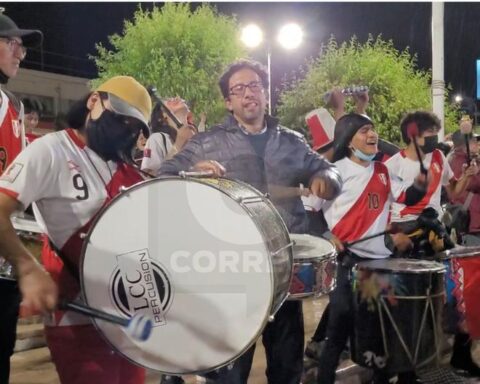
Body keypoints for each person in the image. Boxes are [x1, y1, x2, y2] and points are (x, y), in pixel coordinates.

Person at [159, 59, 342, 384]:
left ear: (265, 93)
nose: (248, 94)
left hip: (282, 266)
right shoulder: (207, 141)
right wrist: (195, 168)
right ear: (229, 102)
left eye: (254, 86)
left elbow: (328, 169)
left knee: (287, 369)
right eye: (238, 89)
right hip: (232, 270)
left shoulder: (290, 140)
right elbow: (166, 174)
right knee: (230, 373)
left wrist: (325, 178)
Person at [0, 75, 152, 384]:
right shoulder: (50, 151)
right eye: (119, 117)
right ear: (94, 101)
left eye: (133, 125)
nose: (124, 128)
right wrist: (27, 267)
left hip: (126, 318)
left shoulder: (127, 169)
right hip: (77, 321)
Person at [314, 113, 427, 384]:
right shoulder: (333, 171)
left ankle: (386, 378)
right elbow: (310, 212)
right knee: (339, 327)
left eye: (373, 129)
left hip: (379, 262)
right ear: (349, 138)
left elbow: (406, 196)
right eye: (364, 130)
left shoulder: (382, 170)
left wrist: (421, 185)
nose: (372, 135)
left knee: (384, 328)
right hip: (347, 261)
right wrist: (329, 236)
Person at [385, 111, 479, 380]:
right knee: (410, 306)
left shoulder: (438, 158)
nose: (435, 139)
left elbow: (454, 192)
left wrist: (466, 176)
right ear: (413, 135)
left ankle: (461, 357)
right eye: (430, 134)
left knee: (459, 292)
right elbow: (385, 210)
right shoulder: (393, 166)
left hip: (436, 232)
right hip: (407, 235)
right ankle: (406, 371)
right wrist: (394, 237)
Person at [0, 12, 43, 384]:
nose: (19, 53)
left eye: (21, 47)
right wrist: (26, 263)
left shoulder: (13, 105)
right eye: (12, 43)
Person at [141, 97, 196, 176]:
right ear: (163, 116)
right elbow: (149, 177)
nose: (177, 98)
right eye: (170, 101)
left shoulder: (197, 139)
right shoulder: (157, 139)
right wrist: (178, 145)